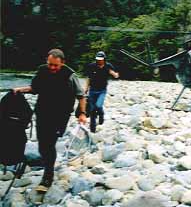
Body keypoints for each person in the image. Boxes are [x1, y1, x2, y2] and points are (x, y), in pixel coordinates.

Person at [13, 48, 87, 190]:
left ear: (62, 63)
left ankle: (48, 175)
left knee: (48, 143)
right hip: (42, 112)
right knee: (43, 144)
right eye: (50, 64)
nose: (52, 68)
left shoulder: (70, 75)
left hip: (60, 115)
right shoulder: (42, 70)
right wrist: (20, 89)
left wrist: (82, 113)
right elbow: (34, 88)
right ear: (47, 62)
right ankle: (48, 164)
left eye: (55, 65)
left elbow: (81, 96)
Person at [84, 51, 119, 132]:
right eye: (98, 59)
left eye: (101, 59)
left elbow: (114, 74)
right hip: (92, 90)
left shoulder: (108, 66)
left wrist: (114, 74)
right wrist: (86, 88)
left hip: (102, 90)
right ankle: (92, 129)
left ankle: (101, 114)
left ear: (104, 59)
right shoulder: (91, 66)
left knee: (98, 106)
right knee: (92, 110)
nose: (99, 61)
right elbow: (88, 78)